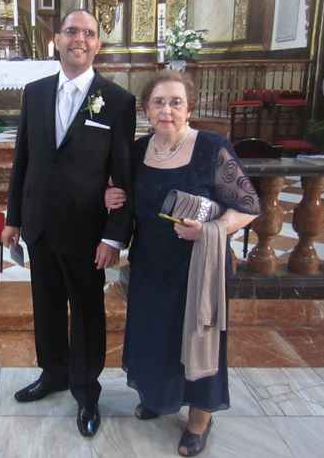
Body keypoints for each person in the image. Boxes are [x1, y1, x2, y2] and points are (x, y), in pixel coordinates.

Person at [105, 70, 259, 456]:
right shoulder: (138, 152)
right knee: (154, 334)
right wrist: (112, 197)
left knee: (199, 336)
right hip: (150, 263)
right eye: (158, 102)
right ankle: (159, 396)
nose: (167, 110)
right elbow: (124, 198)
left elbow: (249, 206)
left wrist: (212, 230)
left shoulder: (210, 147)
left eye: (175, 102)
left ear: (189, 107)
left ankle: (199, 418)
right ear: (146, 109)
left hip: (198, 266)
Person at [1, 9, 136, 437]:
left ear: (98, 44)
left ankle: (86, 389)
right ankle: (54, 373)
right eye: (72, 31)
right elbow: (23, 159)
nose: (80, 39)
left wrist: (114, 234)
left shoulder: (117, 101)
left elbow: (124, 176)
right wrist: (13, 219)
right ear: (57, 40)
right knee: (46, 305)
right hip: (39, 224)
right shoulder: (35, 92)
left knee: (88, 312)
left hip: (86, 231)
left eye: (89, 33)